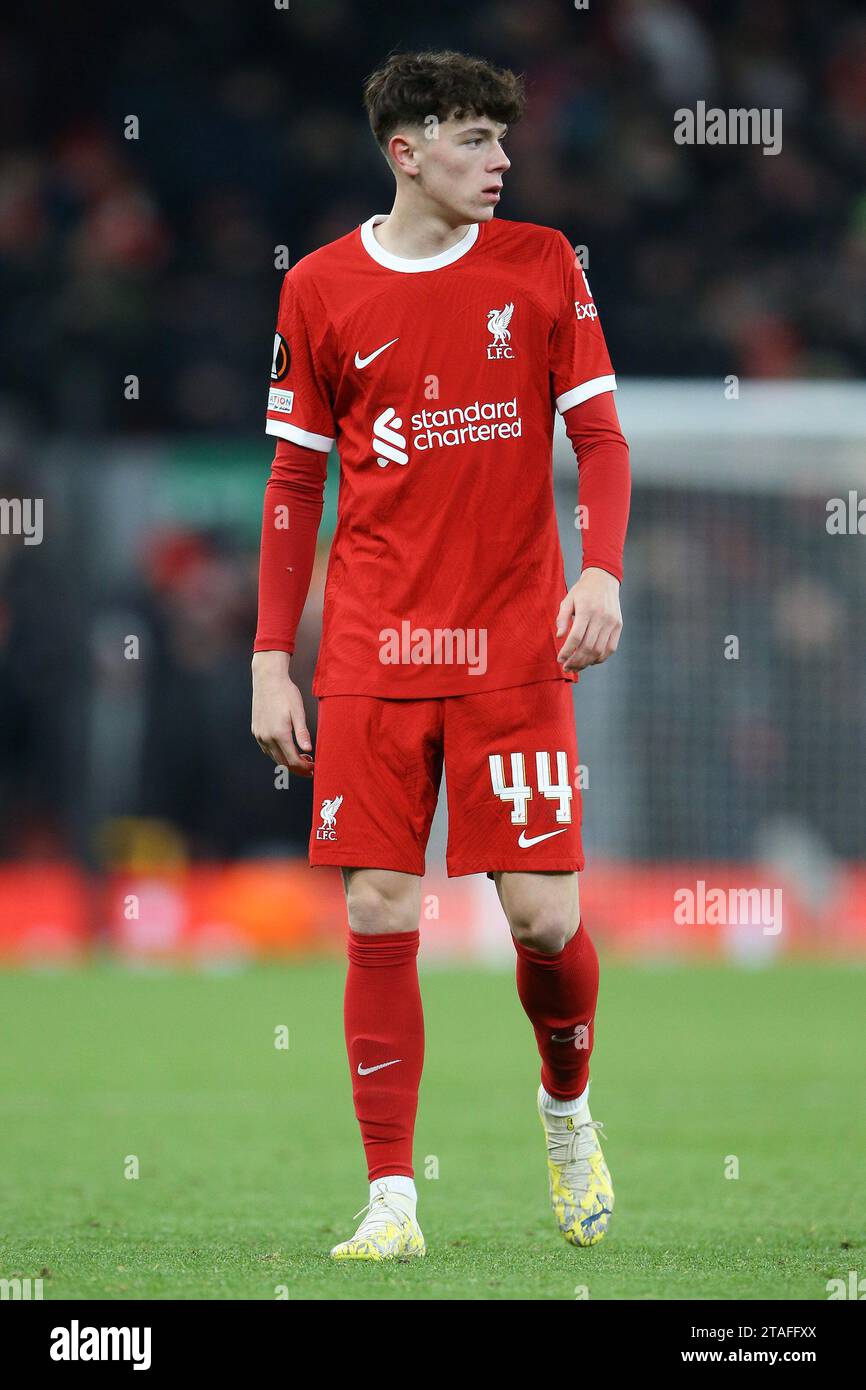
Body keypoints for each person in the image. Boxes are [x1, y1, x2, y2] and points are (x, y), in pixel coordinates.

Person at [251, 48, 631, 1260]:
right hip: (373, 643)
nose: (500, 161)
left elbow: (604, 439)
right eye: (473, 141)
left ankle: (564, 1111)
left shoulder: (540, 265)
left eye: (502, 141)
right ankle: (390, 1200)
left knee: (539, 919)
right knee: (375, 900)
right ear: (404, 150)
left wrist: (600, 569)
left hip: (514, 643)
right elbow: (292, 481)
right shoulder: (317, 288)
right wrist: (271, 656)